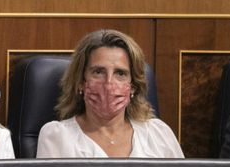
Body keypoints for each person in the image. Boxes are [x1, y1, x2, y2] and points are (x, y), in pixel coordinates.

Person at [37, 29, 183, 159]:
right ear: (80, 81)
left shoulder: (159, 134)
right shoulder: (56, 136)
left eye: (120, 73)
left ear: (133, 86)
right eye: (98, 72)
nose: (108, 84)